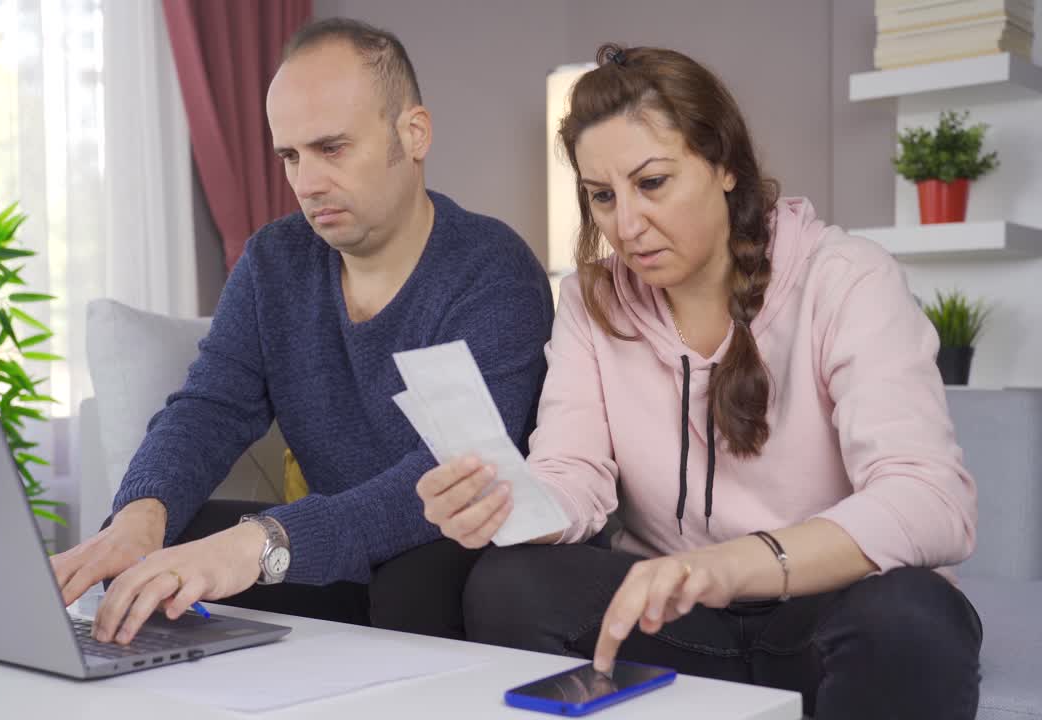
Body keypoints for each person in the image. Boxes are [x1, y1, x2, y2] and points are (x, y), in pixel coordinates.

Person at [417, 44, 981, 719]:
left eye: (652, 183)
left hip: (820, 612)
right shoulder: (593, 302)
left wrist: (732, 564)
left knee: (914, 615)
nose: (626, 226)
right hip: (677, 618)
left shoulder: (847, 279)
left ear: (724, 167)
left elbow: (930, 501)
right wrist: (512, 505)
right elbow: (574, 473)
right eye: (602, 196)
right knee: (508, 582)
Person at [50, 18, 552, 647]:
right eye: (290, 156)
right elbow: (209, 409)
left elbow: (450, 477)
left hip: (450, 553)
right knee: (167, 540)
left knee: (416, 574)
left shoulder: (492, 270)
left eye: (332, 148)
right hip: (332, 550)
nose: (307, 183)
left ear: (413, 133)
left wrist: (264, 542)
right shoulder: (273, 262)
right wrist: (137, 518)